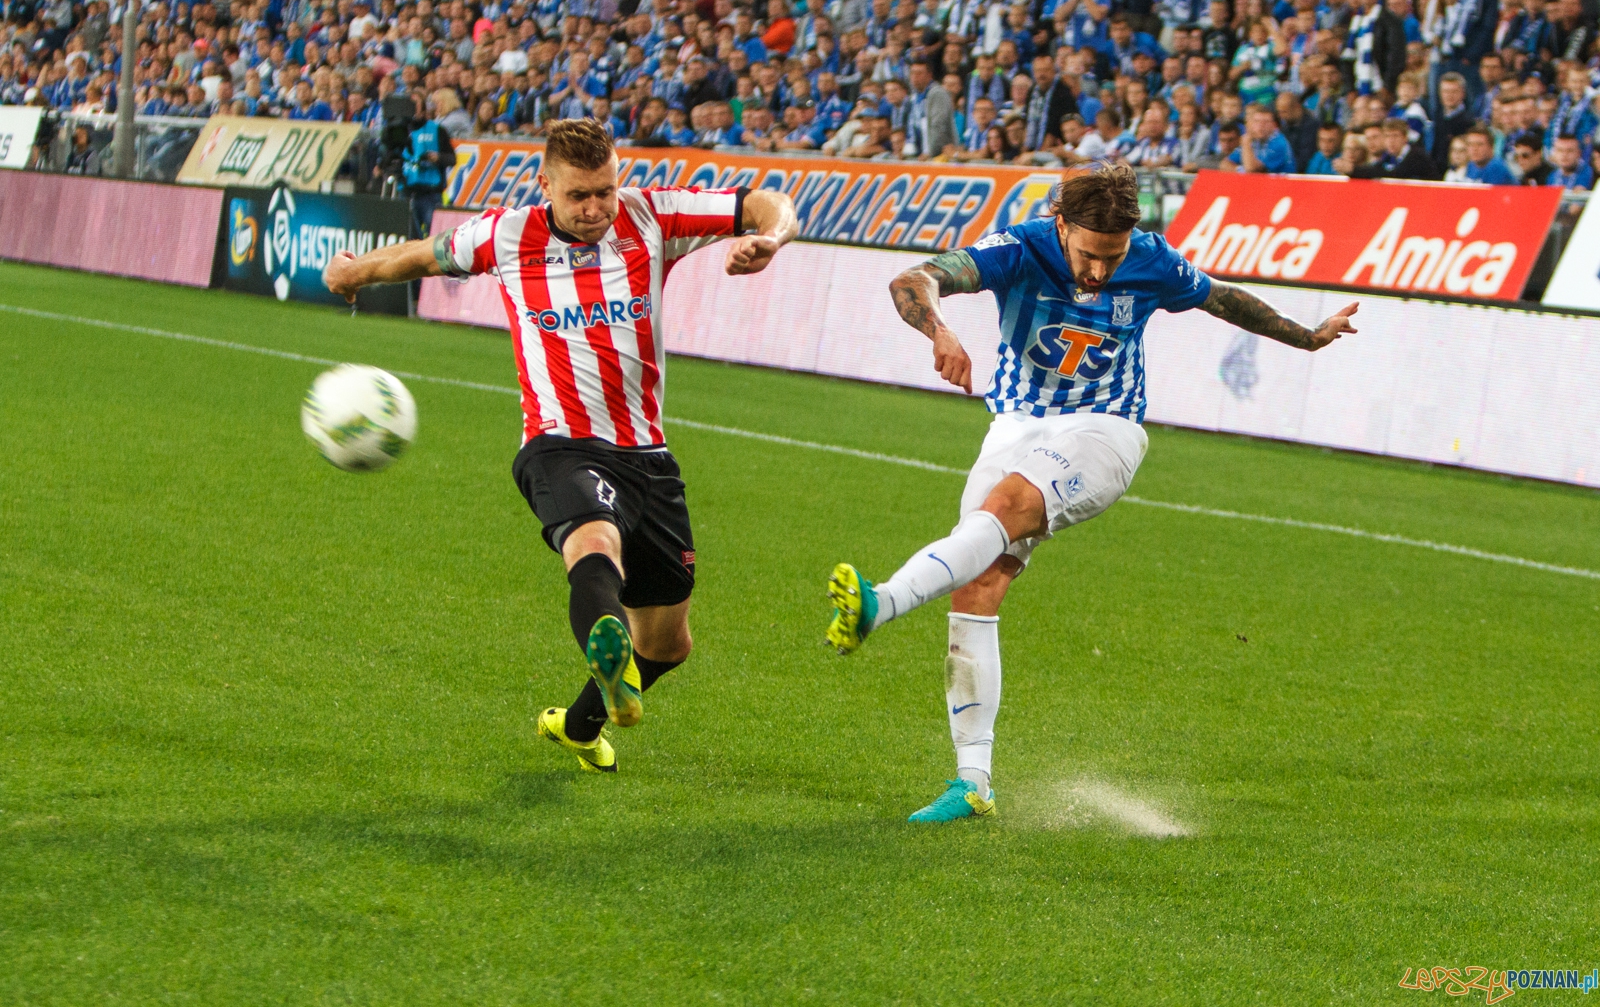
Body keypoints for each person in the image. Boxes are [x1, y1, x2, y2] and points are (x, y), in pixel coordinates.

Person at [822, 165, 1359, 822]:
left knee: (1006, 508)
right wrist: (938, 329)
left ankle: (879, 604)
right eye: (1087, 254)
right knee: (977, 585)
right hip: (1016, 426)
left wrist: (1307, 337)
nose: (1101, 272)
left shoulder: (1153, 260)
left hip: (1104, 432)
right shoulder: (1019, 248)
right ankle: (973, 783)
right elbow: (915, 279)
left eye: (1113, 257)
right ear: (1060, 226)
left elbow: (1222, 297)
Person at [322, 119, 800, 773]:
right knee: (594, 542)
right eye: (578, 196)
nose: (595, 208)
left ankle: (581, 724)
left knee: (667, 641)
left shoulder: (651, 216)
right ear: (544, 184)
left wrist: (770, 238)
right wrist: (356, 273)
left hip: (648, 456)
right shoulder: (507, 234)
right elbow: (422, 255)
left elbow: (764, 201)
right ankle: (606, 644)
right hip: (559, 445)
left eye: (604, 190)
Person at [401, 105, 457, 236]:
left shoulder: (438, 130)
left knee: (433, 237)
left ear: (424, 111)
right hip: (408, 192)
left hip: (431, 192)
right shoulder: (402, 131)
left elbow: (452, 159)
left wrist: (438, 157)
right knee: (409, 237)